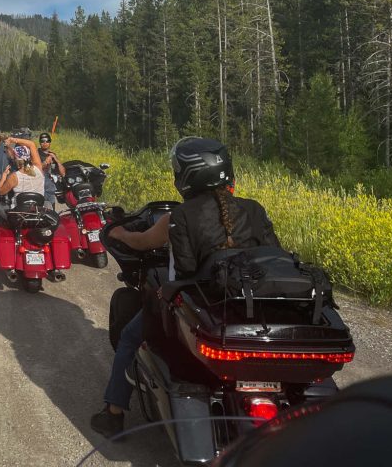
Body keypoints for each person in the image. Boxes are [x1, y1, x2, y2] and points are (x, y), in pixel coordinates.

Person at [90, 136, 281, 439]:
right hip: (252, 308)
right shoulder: (254, 210)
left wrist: (122, 233)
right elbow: (273, 256)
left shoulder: (178, 217)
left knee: (129, 337)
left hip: (200, 308)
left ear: (187, 177)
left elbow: (148, 246)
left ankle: (113, 414)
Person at [0, 136, 47, 227]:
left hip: (19, 216)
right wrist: (13, 139)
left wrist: (4, 177)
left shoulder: (14, 177)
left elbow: (0, 191)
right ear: (29, 157)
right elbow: (32, 144)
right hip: (37, 213)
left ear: (16, 159)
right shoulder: (38, 168)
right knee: (47, 203)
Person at [36, 132, 65, 208]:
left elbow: (63, 173)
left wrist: (56, 160)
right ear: (40, 142)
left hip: (50, 188)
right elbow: (36, 170)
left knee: (52, 211)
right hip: (40, 186)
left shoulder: (52, 154)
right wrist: (46, 162)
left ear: (50, 142)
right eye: (42, 141)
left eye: (47, 140)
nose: (45, 143)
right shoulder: (36, 154)